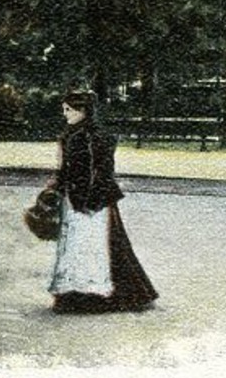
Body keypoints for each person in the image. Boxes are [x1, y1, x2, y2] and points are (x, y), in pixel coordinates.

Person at [44, 90, 158, 314]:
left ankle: (94, 297)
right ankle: (74, 295)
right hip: (74, 198)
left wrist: (91, 200)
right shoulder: (71, 134)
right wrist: (56, 190)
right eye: (64, 109)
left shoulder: (96, 136)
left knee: (95, 246)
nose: (64, 114)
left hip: (92, 201)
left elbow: (104, 171)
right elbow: (66, 169)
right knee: (77, 246)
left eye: (69, 109)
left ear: (83, 111)